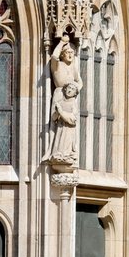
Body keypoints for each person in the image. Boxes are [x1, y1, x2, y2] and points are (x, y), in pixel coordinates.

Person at [43, 35, 83, 165]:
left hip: (71, 96)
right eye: (67, 52)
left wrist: (76, 89)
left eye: (72, 52)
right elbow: (53, 56)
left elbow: (79, 81)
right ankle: (51, 150)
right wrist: (61, 43)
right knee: (55, 122)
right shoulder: (57, 65)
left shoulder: (73, 66)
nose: (70, 55)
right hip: (59, 94)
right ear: (62, 54)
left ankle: (70, 150)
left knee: (70, 123)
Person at [48, 82, 80, 166]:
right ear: (65, 89)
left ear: (75, 93)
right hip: (59, 129)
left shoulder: (73, 104)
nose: (70, 90)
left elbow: (73, 119)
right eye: (69, 88)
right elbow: (54, 118)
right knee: (58, 149)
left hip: (68, 131)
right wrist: (57, 112)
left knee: (65, 151)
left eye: (73, 89)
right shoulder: (60, 102)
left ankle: (66, 156)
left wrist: (61, 112)